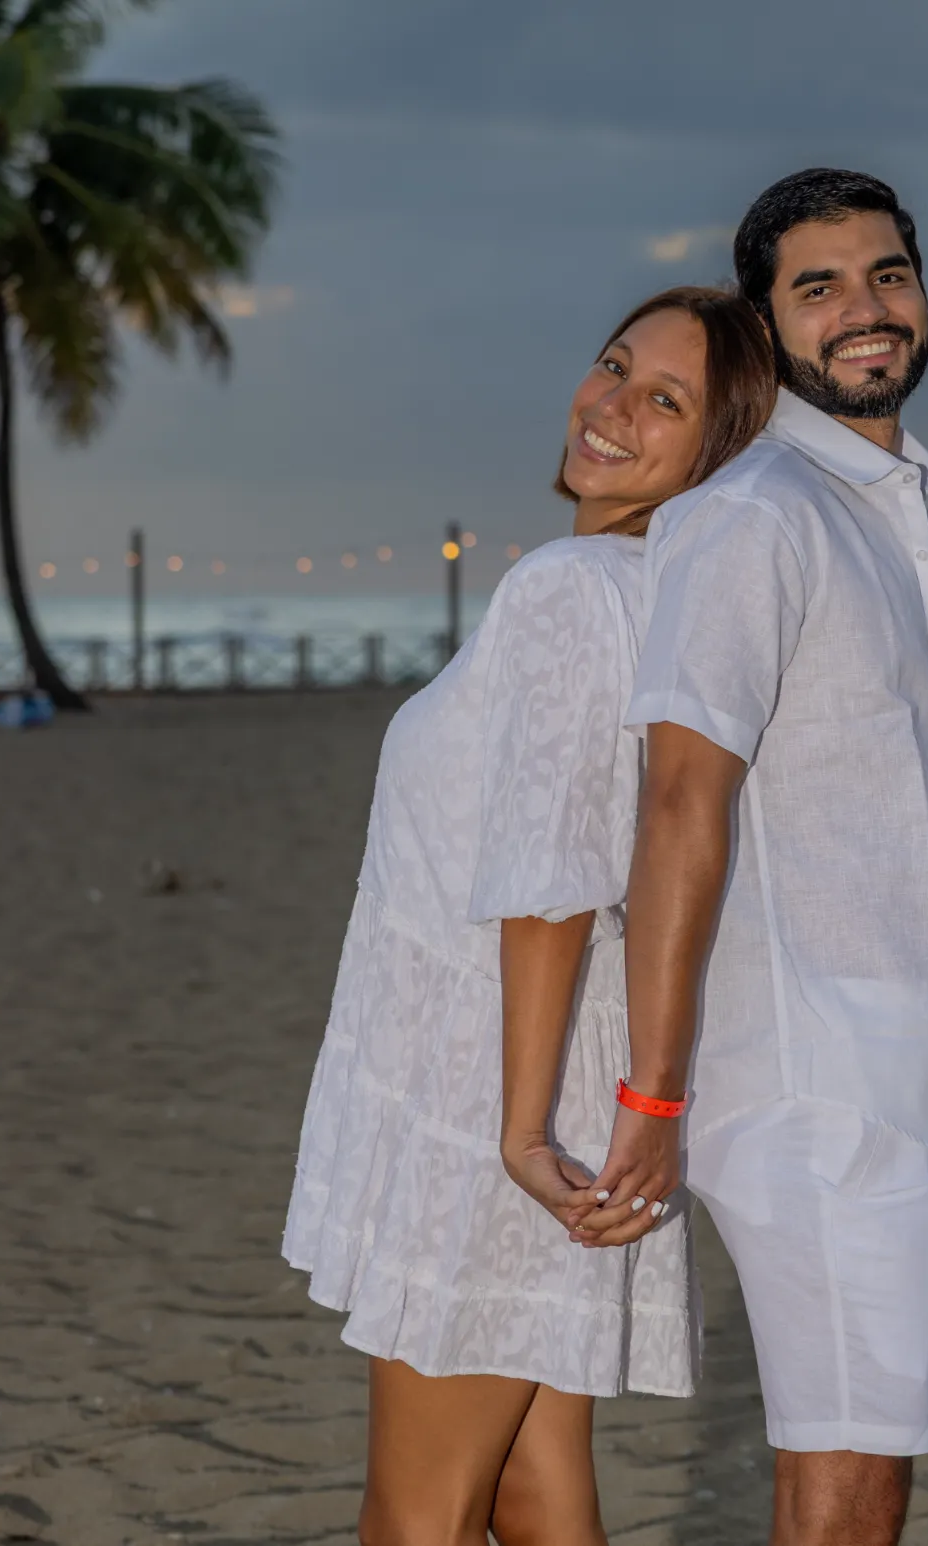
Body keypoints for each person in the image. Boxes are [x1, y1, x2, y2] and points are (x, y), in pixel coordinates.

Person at [281, 286, 776, 1546]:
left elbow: (553, 880)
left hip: (500, 1102)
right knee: (533, 1481)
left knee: (417, 1515)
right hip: (570, 1079)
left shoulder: (566, 588)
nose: (608, 405)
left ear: (716, 449)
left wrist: (512, 1133)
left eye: (663, 400)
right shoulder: (661, 591)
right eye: (613, 367)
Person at [587, 169, 928, 1546]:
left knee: (860, 1471)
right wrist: (652, 1095)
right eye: (816, 286)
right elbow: (676, 803)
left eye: (886, 274)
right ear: (766, 331)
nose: (863, 309)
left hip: (914, 1081)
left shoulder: (882, 508)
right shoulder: (758, 512)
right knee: (846, 1480)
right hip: (823, 1089)